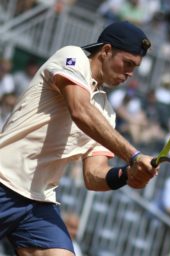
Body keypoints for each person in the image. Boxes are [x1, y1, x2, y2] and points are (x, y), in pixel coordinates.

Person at [0, 21, 158, 256]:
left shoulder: (105, 114)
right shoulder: (72, 57)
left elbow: (93, 176)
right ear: (105, 51)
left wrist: (126, 174)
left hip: (38, 201)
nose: (130, 73)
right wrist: (133, 156)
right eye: (127, 63)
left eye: (135, 67)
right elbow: (79, 110)